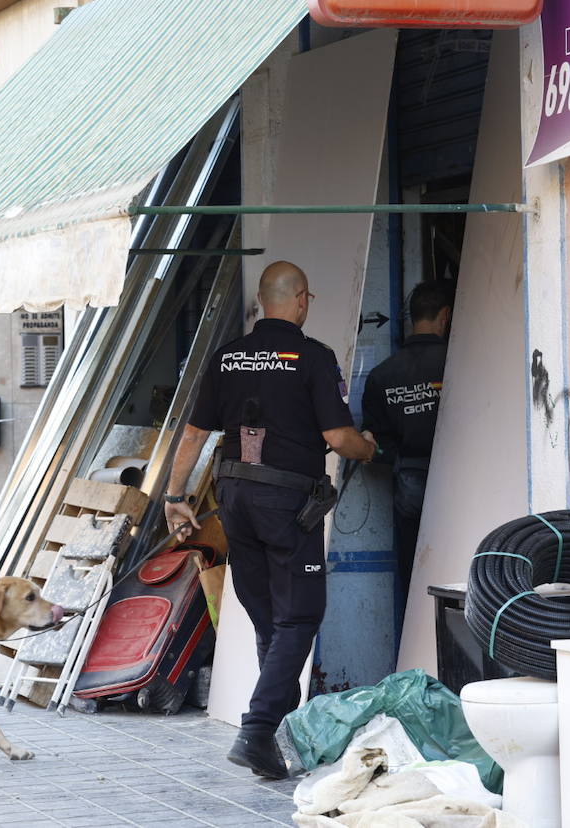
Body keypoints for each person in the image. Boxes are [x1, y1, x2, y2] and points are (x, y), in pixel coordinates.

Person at [163, 261, 377, 780]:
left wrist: (175, 497)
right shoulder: (312, 357)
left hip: (233, 496)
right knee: (299, 618)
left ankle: (277, 737)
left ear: (262, 302)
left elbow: (193, 435)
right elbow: (338, 437)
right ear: (301, 299)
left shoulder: (227, 357)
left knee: (268, 618)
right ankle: (257, 731)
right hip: (287, 504)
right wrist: (370, 450)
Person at [361, 279, 454, 626]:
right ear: (445, 316)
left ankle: (417, 641)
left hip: (409, 482)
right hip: (459, 482)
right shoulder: (459, 364)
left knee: (415, 573)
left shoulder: (382, 375)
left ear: (413, 319)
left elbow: (375, 443)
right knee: (462, 568)